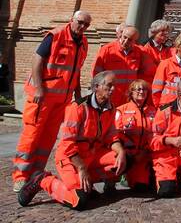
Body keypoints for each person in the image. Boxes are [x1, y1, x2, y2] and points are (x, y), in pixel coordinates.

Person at [18, 71, 126, 210]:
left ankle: (87, 185)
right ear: (96, 86)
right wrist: (81, 167)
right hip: (70, 159)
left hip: (90, 157)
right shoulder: (78, 108)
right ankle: (44, 180)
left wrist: (121, 151)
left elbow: (112, 136)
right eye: (109, 85)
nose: (113, 89)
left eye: (114, 86)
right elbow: (68, 143)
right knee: (79, 200)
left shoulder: (110, 108)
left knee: (125, 159)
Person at [13, 11, 91, 192]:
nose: (82, 27)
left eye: (86, 25)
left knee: (48, 138)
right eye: (80, 22)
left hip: (62, 100)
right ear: (72, 20)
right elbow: (37, 61)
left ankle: (36, 173)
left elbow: (76, 70)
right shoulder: (55, 36)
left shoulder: (84, 42)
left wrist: (77, 93)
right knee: (31, 136)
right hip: (43, 97)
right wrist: (39, 88)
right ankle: (20, 176)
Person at [114, 79, 156, 191]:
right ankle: (120, 175)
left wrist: (146, 150)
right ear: (131, 92)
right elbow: (115, 134)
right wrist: (128, 150)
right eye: (138, 89)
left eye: (144, 89)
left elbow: (156, 134)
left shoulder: (153, 111)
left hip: (144, 154)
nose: (141, 92)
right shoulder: (121, 110)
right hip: (129, 153)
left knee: (141, 187)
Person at [92, 25, 144, 108]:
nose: (126, 41)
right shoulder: (107, 49)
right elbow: (97, 72)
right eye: (124, 37)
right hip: (110, 95)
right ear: (121, 34)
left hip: (128, 96)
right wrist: (99, 92)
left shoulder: (138, 52)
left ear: (135, 41)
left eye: (130, 40)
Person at [152, 32, 181, 107]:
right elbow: (156, 88)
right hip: (167, 106)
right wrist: (159, 107)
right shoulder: (166, 64)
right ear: (178, 47)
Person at [141, 19, 173, 84]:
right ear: (154, 32)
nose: (166, 34)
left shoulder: (168, 49)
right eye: (163, 31)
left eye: (167, 31)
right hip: (147, 83)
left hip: (161, 84)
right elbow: (148, 69)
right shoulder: (145, 47)